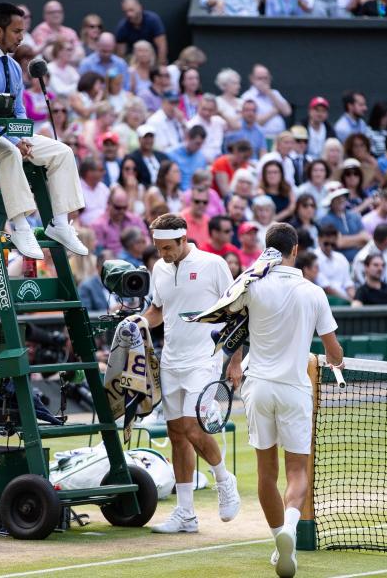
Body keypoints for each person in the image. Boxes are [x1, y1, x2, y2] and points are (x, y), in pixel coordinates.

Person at [225, 222, 342, 578]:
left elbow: (232, 323)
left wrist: (233, 361)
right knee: (296, 472)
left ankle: (279, 540)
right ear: (295, 250)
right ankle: (289, 529)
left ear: (268, 249)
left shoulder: (251, 284)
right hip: (294, 389)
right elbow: (333, 352)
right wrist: (338, 359)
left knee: (266, 473)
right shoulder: (314, 292)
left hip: (258, 388)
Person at [0, 3, 87, 259]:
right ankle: (21, 226)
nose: (21, 37)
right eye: (16, 31)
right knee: (10, 154)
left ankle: (59, 223)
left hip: (5, 134)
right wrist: (14, 140)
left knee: (62, 152)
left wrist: (23, 138)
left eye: (22, 31)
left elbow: (19, 111)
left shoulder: (14, 67)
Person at [142, 214, 240, 534]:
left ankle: (225, 481)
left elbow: (236, 314)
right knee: (176, 434)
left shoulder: (213, 265)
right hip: (170, 362)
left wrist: (234, 362)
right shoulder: (159, 268)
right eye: (158, 248)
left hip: (204, 359)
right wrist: (136, 325)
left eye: (167, 248)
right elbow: (157, 311)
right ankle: (186, 514)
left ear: (184, 240)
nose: (162, 254)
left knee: (193, 428)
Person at [92, 187, 150, 255]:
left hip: (138, 259)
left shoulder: (135, 220)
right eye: (118, 208)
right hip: (113, 262)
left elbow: (147, 240)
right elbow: (99, 252)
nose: (122, 211)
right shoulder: (98, 225)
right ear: (108, 204)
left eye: (125, 207)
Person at [241, 64, 291, 142]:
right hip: (261, 138)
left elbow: (287, 111)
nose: (263, 81)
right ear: (252, 79)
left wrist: (269, 93)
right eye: (260, 78)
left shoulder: (274, 93)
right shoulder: (247, 97)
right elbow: (253, 122)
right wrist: (275, 111)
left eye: (266, 78)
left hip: (280, 138)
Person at [115, 0, 168, 64]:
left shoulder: (153, 20)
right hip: (134, 60)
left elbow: (162, 46)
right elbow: (121, 54)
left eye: (131, 10)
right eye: (125, 11)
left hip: (154, 58)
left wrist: (161, 66)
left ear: (140, 8)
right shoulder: (122, 27)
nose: (129, 14)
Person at [314, 224, 355, 301]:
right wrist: (348, 300)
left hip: (344, 298)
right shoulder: (313, 258)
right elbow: (326, 287)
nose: (329, 247)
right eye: (326, 244)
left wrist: (354, 298)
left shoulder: (341, 258)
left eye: (332, 244)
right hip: (325, 299)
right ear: (319, 240)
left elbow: (348, 283)